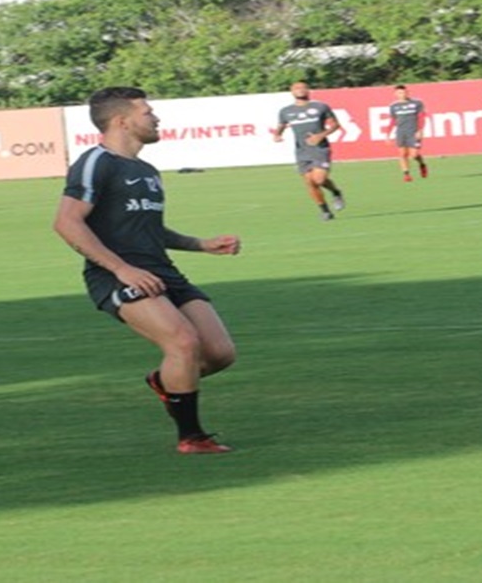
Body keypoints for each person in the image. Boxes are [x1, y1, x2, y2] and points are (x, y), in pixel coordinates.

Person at [54, 87, 241, 454]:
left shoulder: (146, 170)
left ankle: (166, 382)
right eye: (147, 112)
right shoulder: (96, 162)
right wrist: (121, 269)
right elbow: (67, 222)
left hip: (162, 271)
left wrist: (200, 244)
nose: (156, 118)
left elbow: (150, 230)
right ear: (122, 121)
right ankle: (192, 437)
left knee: (219, 354)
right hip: (116, 275)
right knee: (183, 342)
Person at [271, 81, 346, 220]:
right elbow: (281, 125)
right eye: (296, 88)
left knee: (319, 179)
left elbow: (335, 125)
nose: (300, 90)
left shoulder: (320, 107)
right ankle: (325, 211)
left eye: (302, 87)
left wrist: (320, 135)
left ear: (308, 90)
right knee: (309, 182)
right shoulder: (286, 111)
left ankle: (336, 192)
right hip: (301, 151)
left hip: (320, 149)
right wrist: (277, 135)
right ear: (291, 92)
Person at [384, 85, 429, 181]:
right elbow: (392, 121)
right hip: (401, 132)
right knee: (402, 154)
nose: (402, 94)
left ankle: (422, 164)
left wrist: (420, 130)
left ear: (407, 92)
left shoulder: (417, 103)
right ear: (395, 94)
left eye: (404, 92)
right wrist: (387, 134)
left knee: (414, 155)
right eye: (400, 93)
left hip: (413, 131)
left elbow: (421, 118)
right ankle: (406, 174)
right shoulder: (393, 106)